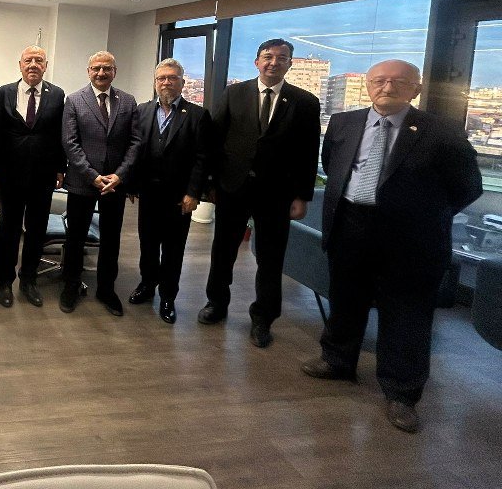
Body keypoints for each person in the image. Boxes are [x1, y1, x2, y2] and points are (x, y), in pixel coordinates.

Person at [301, 59, 481, 433]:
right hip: (350, 225)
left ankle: (402, 393)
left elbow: (467, 186)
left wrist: (423, 213)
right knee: (345, 299)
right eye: (379, 80)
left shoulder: (441, 131)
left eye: (399, 82)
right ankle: (337, 360)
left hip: (411, 240)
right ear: (368, 85)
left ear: (416, 88)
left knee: (407, 313)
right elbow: (333, 165)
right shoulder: (343, 122)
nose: (387, 87)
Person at [199, 38, 321, 348]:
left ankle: (263, 318)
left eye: (281, 57)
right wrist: (209, 183)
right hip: (232, 188)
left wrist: (302, 196)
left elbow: (308, 153)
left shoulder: (305, 102)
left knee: (271, 258)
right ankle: (216, 303)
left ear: (290, 64)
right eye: (267, 56)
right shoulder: (234, 93)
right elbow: (214, 140)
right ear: (257, 62)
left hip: (277, 194)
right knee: (222, 251)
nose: (273, 62)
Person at [128, 59, 211, 323]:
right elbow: (134, 150)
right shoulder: (142, 111)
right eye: (161, 78)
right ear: (155, 82)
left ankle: (167, 297)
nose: (166, 82)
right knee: (148, 244)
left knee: (174, 249)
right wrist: (132, 184)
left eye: (172, 78)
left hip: (179, 198)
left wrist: (193, 193)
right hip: (148, 194)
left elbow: (202, 158)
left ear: (182, 83)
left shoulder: (197, 115)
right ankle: (147, 285)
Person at [59, 51, 141, 316]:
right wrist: (92, 175)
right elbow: (70, 143)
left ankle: (106, 289)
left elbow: (135, 142)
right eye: (96, 68)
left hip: (115, 184)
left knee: (111, 240)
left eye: (107, 68)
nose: (101, 73)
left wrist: (120, 175)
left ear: (114, 71)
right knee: (75, 237)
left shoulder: (127, 101)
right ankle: (71, 286)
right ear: (88, 71)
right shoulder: (74, 100)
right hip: (83, 182)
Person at [0, 45, 66, 308]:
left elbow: (60, 134)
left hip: (42, 175)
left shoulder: (57, 94)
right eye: (28, 60)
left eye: (39, 60)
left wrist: (60, 168)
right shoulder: (4, 92)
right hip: (10, 174)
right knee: (8, 230)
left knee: (36, 230)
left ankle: (29, 280)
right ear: (20, 65)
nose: (33, 64)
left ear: (45, 66)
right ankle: (4, 281)